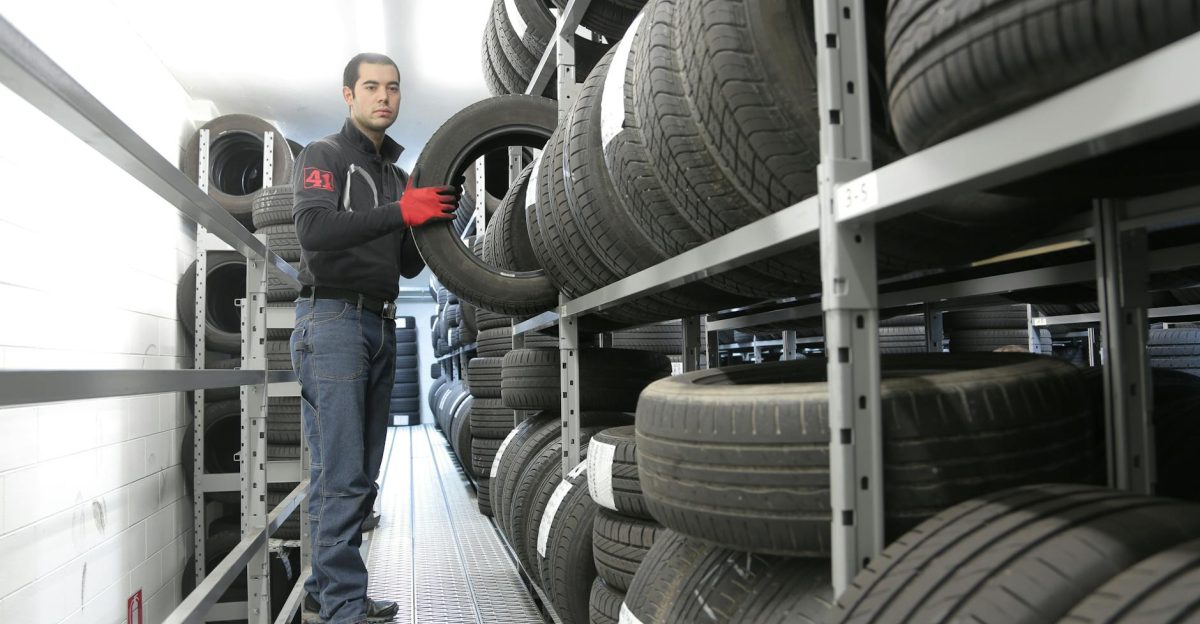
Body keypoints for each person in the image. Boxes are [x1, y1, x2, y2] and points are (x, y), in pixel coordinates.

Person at [289, 52, 459, 624]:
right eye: (371, 87)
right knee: (343, 474)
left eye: (392, 88)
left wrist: (432, 224)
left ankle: (324, 590)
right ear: (348, 95)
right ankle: (342, 608)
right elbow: (313, 231)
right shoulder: (324, 155)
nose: (383, 97)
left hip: (380, 323)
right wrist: (397, 212)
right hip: (333, 321)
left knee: (353, 473)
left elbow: (408, 267)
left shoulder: (397, 176)